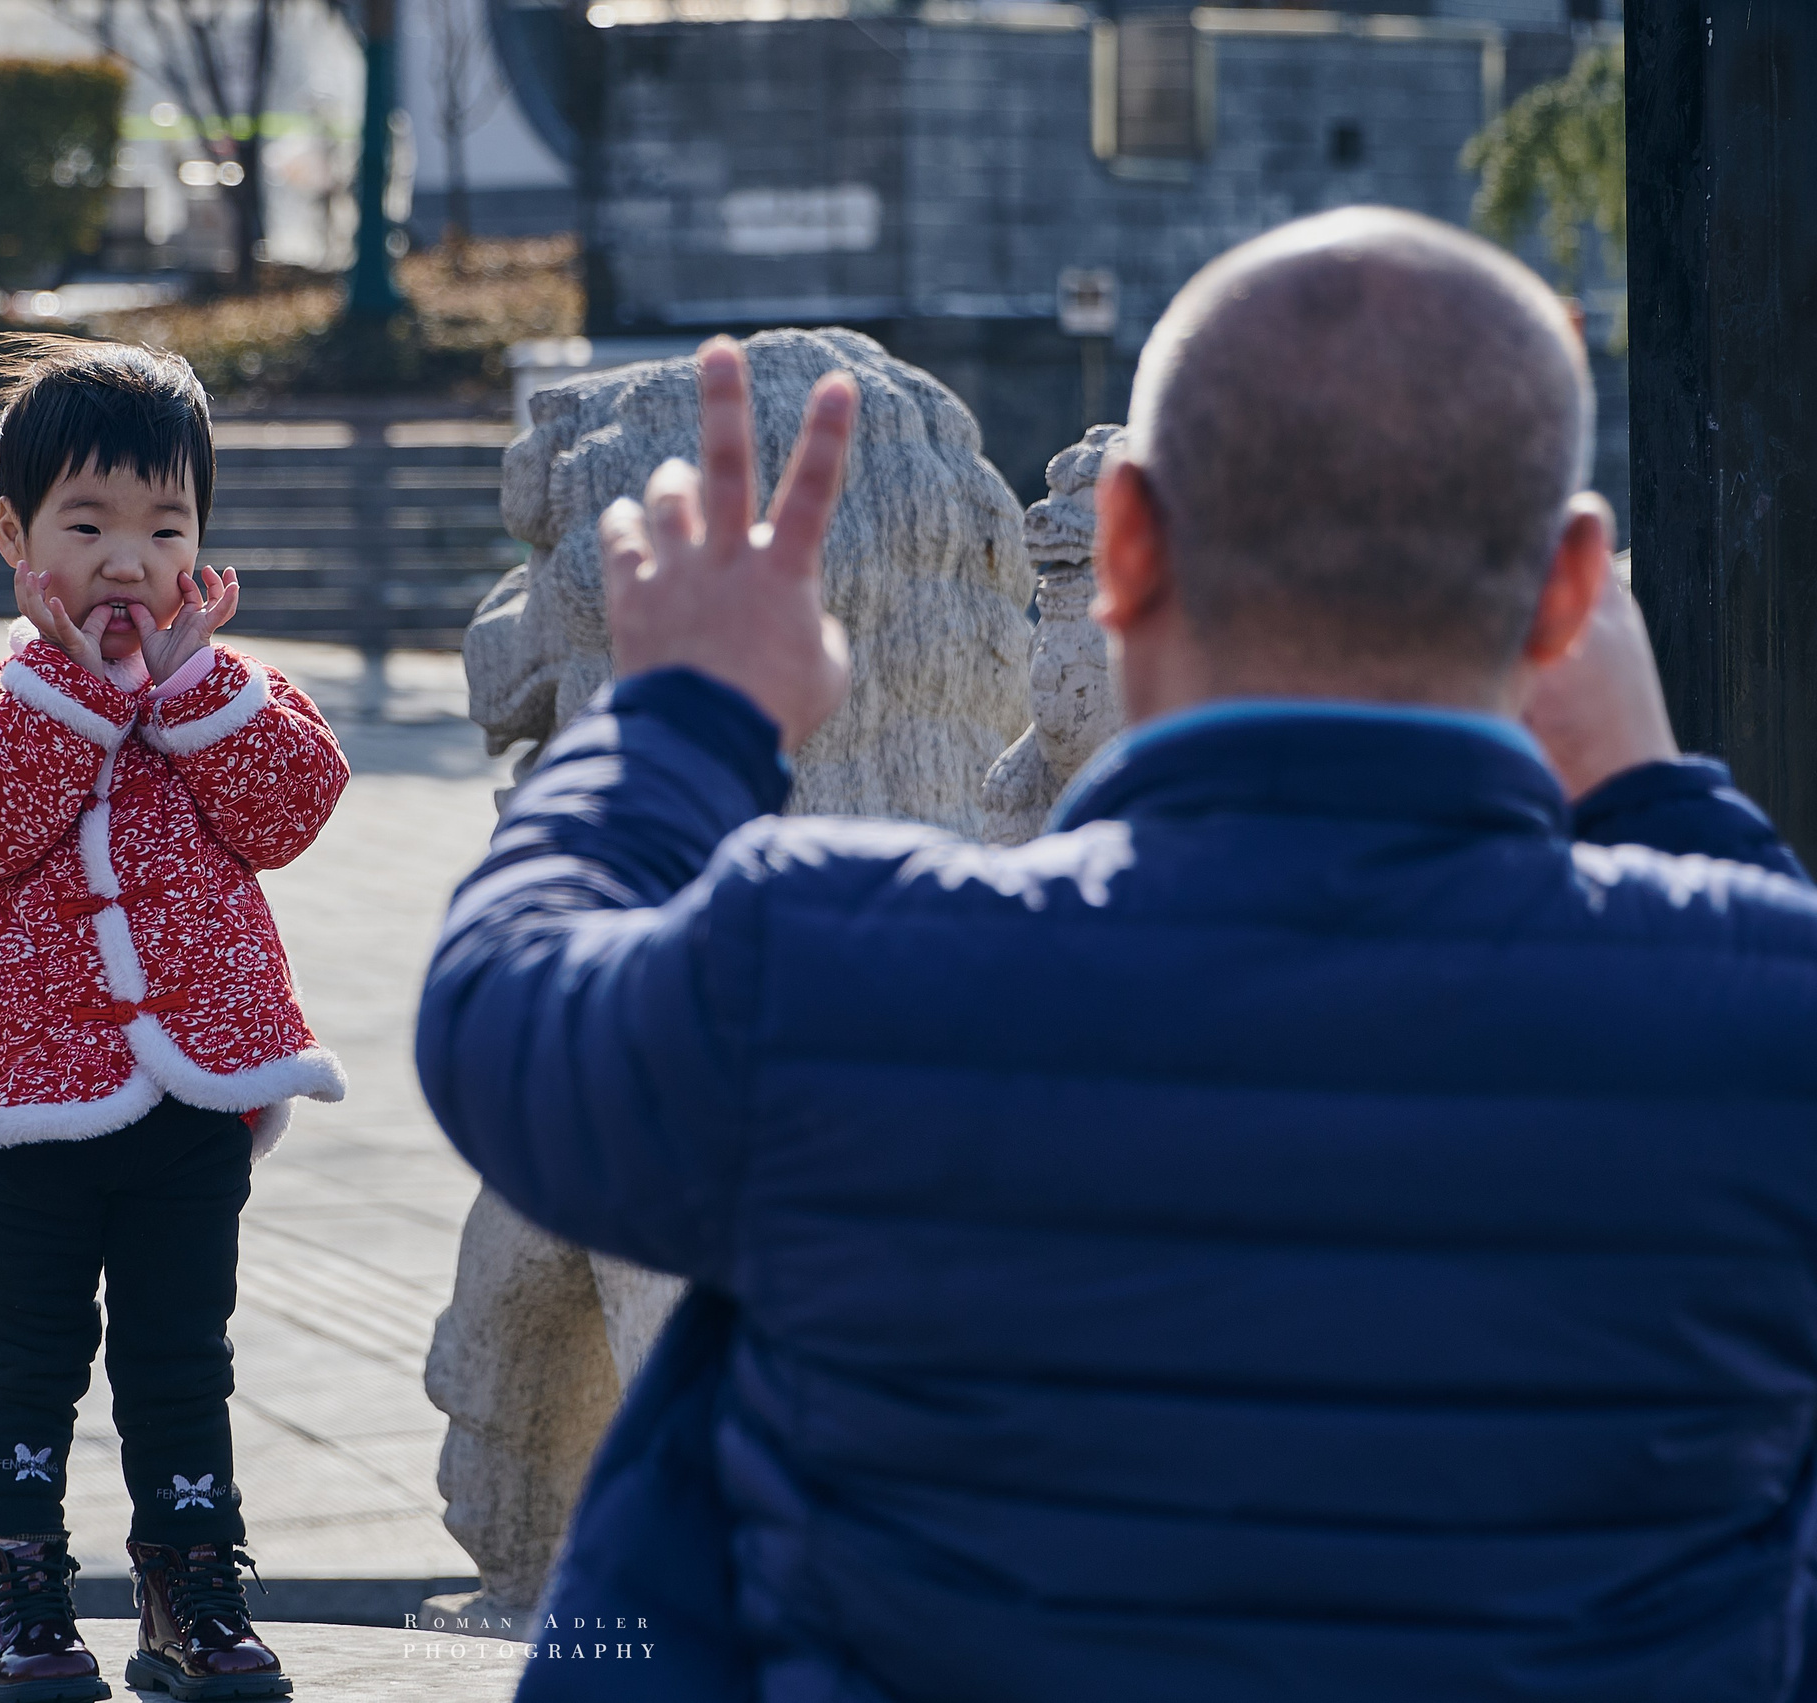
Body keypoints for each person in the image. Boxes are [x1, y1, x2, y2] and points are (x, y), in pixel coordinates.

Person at [416, 207, 1817, 1702]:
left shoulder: (831, 977)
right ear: (1568, 586)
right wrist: (1656, 788)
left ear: (1123, 548)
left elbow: (499, 1007)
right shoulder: (1757, 1022)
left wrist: (686, 715)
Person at [0, 340, 350, 1703]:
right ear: (13, 536)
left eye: (164, 529)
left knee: (179, 1353)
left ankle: (191, 1584)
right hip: (27, 1109)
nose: (126, 561)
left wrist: (196, 683)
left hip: (195, 1099)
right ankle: (16, 1587)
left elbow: (294, 808)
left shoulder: (229, 698)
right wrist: (93, 691)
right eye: (85, 525)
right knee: (28, 1356)